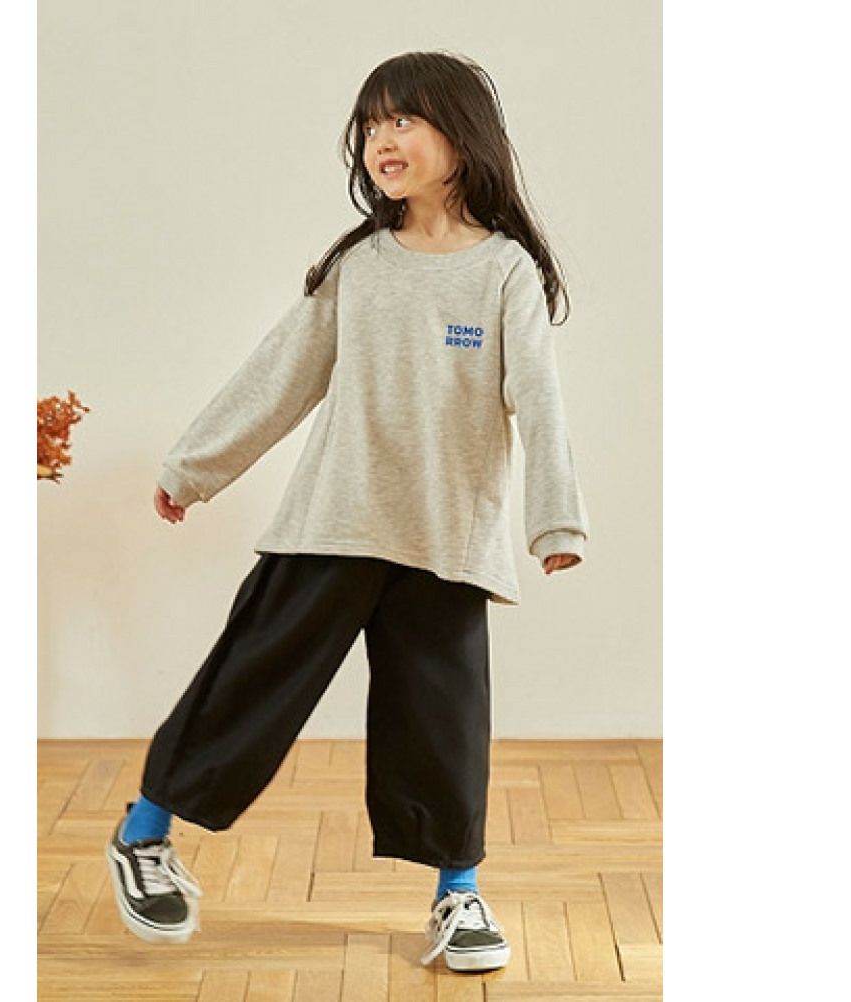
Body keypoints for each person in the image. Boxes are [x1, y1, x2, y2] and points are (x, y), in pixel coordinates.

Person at [106, 49, 589, 973]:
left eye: (403, 119)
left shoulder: (506, 273)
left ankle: (458, 893)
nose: (381, 139)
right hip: (335, 518)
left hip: (447, 535)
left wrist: (554, 519)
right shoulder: (360, 265)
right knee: (252, 681)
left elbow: (539, 399)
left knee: (442, 719)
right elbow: (281, 373)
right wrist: (195, 466)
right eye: (370, 125)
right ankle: (143, 833)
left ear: (463, 135)